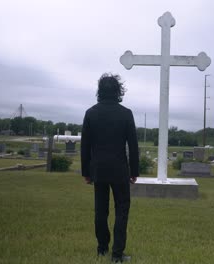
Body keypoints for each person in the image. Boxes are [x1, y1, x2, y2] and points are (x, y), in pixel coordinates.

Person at [81, 73, 139, 263]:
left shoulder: (90, 113)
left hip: (98, 170)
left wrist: (86, 173)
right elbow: (133, 145)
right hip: (120, 169)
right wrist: (134, 172)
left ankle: (101, 248)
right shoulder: (126, 113)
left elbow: (85, 146)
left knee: (100, 210)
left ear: (100, 91)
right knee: (122, 209)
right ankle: (117, 254)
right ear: (118, 91)